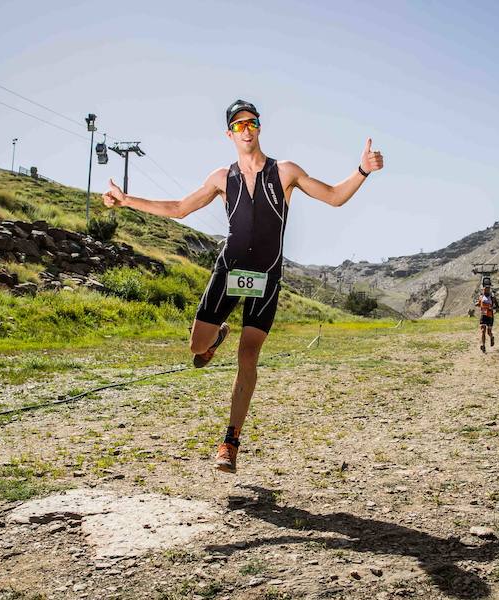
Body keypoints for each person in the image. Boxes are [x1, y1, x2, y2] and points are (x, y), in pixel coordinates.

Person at [102, 99, 384, 473]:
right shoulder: (222, 178)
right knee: (196, 346)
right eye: (238, 125)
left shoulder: (285, 172)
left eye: (251, 122)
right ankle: (214, 338)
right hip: (228, 271)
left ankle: (229, 441)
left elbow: (333, 197)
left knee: (248, 354)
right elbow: (179, 209)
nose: (246, 129)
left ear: (260, 127)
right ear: (229, 134)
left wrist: (362, 170)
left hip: (266, 275)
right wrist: (126, 200)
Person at [477, 284, 495, 352]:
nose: (485, 291)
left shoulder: (492, 297)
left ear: (489, 290)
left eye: (487, 290)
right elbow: (479, 303)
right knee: (483, 331)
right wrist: (477, 304)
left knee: (488, 332)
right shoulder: (481, 297)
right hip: (483, 316)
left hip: (490, 316)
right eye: (484, 290)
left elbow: (496, 306)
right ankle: (483, 345)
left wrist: (492, 308)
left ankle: (492, 337)